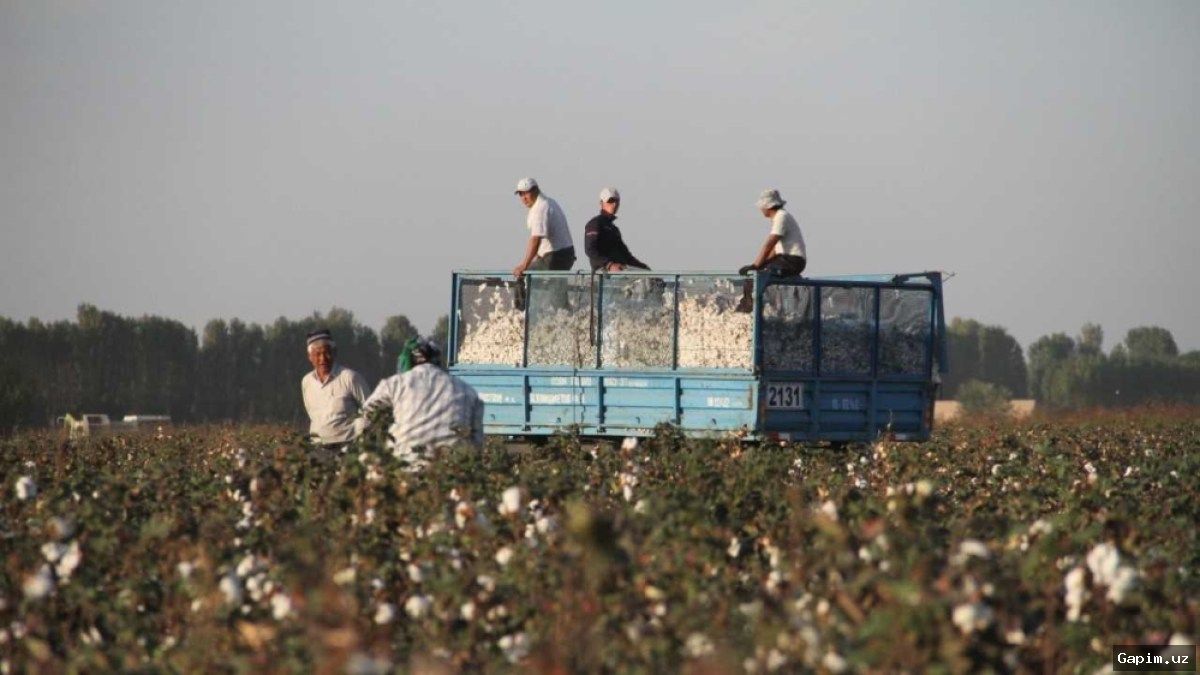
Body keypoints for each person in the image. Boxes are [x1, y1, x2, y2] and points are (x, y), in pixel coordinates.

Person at [360, 337, 484, 469]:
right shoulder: (467, 391)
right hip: (452, 471)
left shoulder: (394, 384)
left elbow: (365, 417)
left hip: (406, 470)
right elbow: (477, 441)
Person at [736, 189, 808, 312]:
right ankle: (748, 305)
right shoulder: (779, 217)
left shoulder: (781, 217)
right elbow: (775, 250)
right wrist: (760, 265)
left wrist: (756, 265)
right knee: (756, 274)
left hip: (792, 260)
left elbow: (770, 243)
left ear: (767, 207)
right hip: (784, 258)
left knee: (759, 276)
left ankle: (749, 308)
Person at [301, 329, 370, 449]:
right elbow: (311, 413)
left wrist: (361, 439)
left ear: (334, 352)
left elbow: (371, 409)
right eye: (317, 354)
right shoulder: (307, 382)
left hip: (348, 446)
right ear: (310, 357)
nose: (323, 359)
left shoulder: (349, 377)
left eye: (326, 353)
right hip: (318, 447)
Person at [512, 177, 575, 278]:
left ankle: (524, 292)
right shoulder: (548, 202)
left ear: (536, 190)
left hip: (556, 255)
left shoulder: (540, 208)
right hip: (564, 254)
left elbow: (536, 240)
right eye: (521, 194)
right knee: (554, 287)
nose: (524, 198)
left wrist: (524, 265)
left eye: (527, 193)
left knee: (523, 277)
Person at [584, 186, 651, 272]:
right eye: (610, 201)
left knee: (651, 280)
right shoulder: (595, 223)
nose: (614, 204)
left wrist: (645, 269)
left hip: (620, 275)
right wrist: (609, 265)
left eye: (616, 201)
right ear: (601, 203)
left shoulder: (614, 229)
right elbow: (590, 250)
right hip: (604, 276)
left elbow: (626, 256)